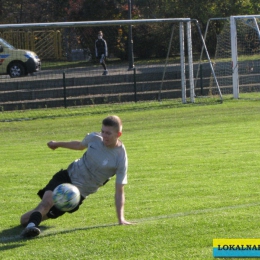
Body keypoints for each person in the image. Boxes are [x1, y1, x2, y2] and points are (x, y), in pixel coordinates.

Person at [20, 115, 131, 238]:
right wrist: (57, 144)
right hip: (66, 177)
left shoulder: (120, 158)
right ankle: (31, 227)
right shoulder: (95, 138)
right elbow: (79, 145)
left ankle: (30, 223)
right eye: (103, 131)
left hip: (77, 194)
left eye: (108, 133)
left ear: (118, 134)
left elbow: (119, 190)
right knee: (46, 203)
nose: (104, 136)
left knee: (24, 220)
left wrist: (121, 218)